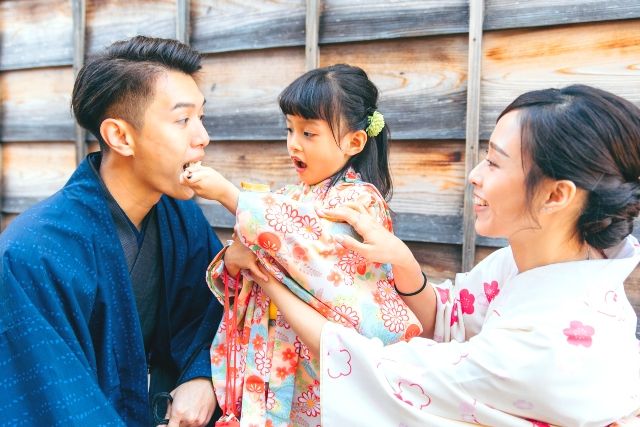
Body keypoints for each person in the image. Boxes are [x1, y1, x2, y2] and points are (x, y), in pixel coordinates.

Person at [245, 85, 640, 425]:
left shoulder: (549, 346)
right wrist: (403, 261)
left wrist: (268, 278)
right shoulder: (539, 261)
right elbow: (451, 317)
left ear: (557, 195)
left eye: (495, 162)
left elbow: (385, 374)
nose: (475, 174)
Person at [0, 36, 223, 426]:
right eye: (183, 120)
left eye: (201, 118)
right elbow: (50, 398)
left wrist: (202, 375)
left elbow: (215, 314)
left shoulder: (181, 218)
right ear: (120, 136)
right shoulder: (31, 254)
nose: (202, 137)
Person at [181, 64, 421, 425]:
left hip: (318, 366)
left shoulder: (361, 203)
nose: (294, 143)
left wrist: (230, 196)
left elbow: (311, 244)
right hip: (273, 354)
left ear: (355, 142)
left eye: (309, 133)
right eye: (290, 130)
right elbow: (257, 249)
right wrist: (235, 259)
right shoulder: (289, 196)